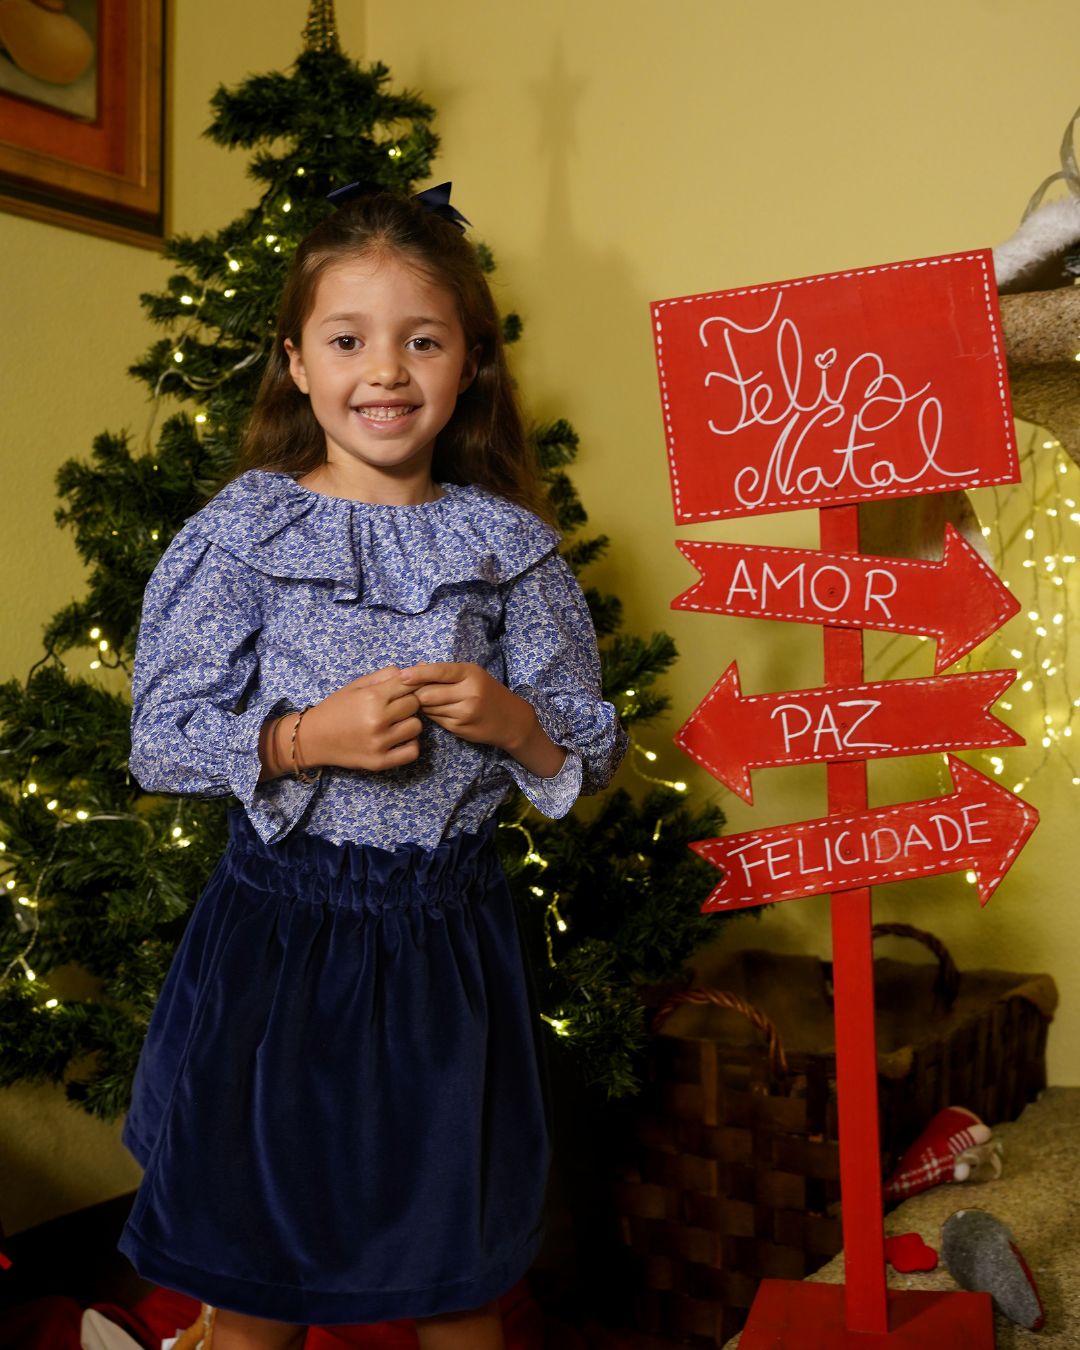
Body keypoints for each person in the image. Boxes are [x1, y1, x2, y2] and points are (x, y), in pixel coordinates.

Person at [119, 186, 626, 1350]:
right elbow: (160, 736)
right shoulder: (241, 533)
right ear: (297, 362)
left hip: (448, 952)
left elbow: (587, 753)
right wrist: (302, 738)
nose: (385, 371)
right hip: (281, 951)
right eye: (348, 340)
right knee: (253, 1285)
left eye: (423, 340)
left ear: (470, 364)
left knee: (456, 1281)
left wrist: (516, 726)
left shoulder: (508, 549)